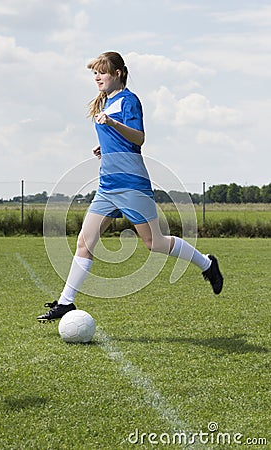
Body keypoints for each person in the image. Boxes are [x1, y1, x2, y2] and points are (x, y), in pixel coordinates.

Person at [37, 51, 223, 322]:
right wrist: (107, 147)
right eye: (94, 73)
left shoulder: (129, 100)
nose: (97, 77)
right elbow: (122, 140)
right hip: (107, 185)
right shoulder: (105, 103)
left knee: (154, 243)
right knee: (84, 242)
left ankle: (207, 264)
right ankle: (66, 303)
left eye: (102, 72)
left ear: (118, 74)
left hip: (131, 185)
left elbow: (139, 138)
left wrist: (112, 124)